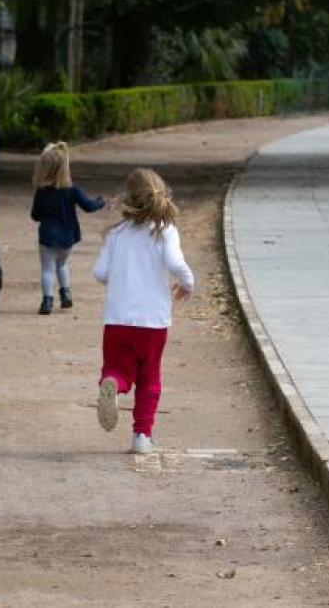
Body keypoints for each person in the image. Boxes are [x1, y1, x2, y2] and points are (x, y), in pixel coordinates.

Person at [92, 168, 194, 454]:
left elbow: (99, 272)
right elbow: (175, 263)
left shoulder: (118, 233)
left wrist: (119, 279)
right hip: (153, 321)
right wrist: (188, 283)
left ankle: (113, 383)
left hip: (117, 320)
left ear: (128, 198)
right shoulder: (165, 231)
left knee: (117, 369)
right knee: (150, 377)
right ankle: (141, 437)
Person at [30, 141, 105, 315]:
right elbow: (88, 206)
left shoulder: (42, 191)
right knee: (62, 265)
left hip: (47, 238)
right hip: (67, 238)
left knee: (47, 269)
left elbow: (35, 215)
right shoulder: (72, 190)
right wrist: (100, 202)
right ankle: (65, 293)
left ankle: (47, 301)